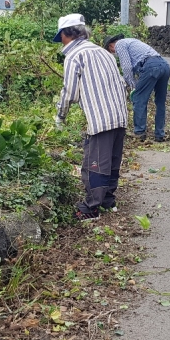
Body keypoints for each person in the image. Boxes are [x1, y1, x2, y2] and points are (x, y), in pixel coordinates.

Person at [52, 14, 130, 221]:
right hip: (119, 115)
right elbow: (122, 83)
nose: (60, 40)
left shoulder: (74, 56)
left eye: (61, 35)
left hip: (100, 119)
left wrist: (60, 116)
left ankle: (91, 208)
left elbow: (70, 92)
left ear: (67, 33)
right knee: (113, 161)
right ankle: (108, 201)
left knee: (94, 163)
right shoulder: (104, 53)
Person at [103, 34, 170, 142]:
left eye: (111, 50)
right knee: (160, 102)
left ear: (111, 45)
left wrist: (132, 86)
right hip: (164, 65)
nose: (114, 53)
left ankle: (139, 132)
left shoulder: (120, 44)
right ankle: (159, 134)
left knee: (139, 99)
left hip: (151, 66)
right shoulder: (132, 41)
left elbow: (127, 67)